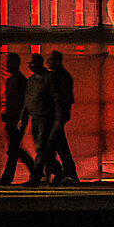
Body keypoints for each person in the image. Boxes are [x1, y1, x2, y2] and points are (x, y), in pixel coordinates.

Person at [0, 52, 34, 185]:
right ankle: (35, 171)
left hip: (16, 118)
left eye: (9, 62)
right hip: (13, 117)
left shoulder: (19, 81)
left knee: (14, 148)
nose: (7, 65)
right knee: (14, 148)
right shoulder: (15, 80)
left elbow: (22, 102)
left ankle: (10, 177)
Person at [22, 53, 57, 186]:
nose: (30, 65)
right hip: (35, 117)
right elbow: (27, 100)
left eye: (32, 62)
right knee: (42, 149)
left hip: (45, 117)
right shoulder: (31, 80)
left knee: (41, 148)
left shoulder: (48, 78)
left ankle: (35, 178)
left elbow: (55, 98)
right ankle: (58, 171)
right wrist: (23, 116)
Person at [47, 51, 78, 182]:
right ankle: (65, 172)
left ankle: (60, 171)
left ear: (57, 61)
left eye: (50, 60)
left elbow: (65, 99)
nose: (48, 62)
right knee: (58, 145)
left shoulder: (59, 77)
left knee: (52, 145)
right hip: (57, 116)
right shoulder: (61, 76)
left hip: (56, 116)